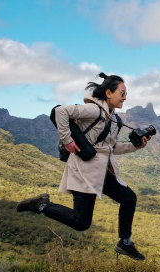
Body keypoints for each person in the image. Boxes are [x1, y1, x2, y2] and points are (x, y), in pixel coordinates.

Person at [17, 73, 150, 261]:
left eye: (126, 93)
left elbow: (111, 148)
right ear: (108, 92)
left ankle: (125, 242)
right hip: (84, 172)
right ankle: (41, 205)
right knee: (81, 223)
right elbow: (60, 112)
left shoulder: (113, 119)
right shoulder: (92, 110)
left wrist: (136, 146)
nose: (125, 97)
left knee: (129, 198)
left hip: (101, 172)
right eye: (122, 92)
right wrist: (68, 141)